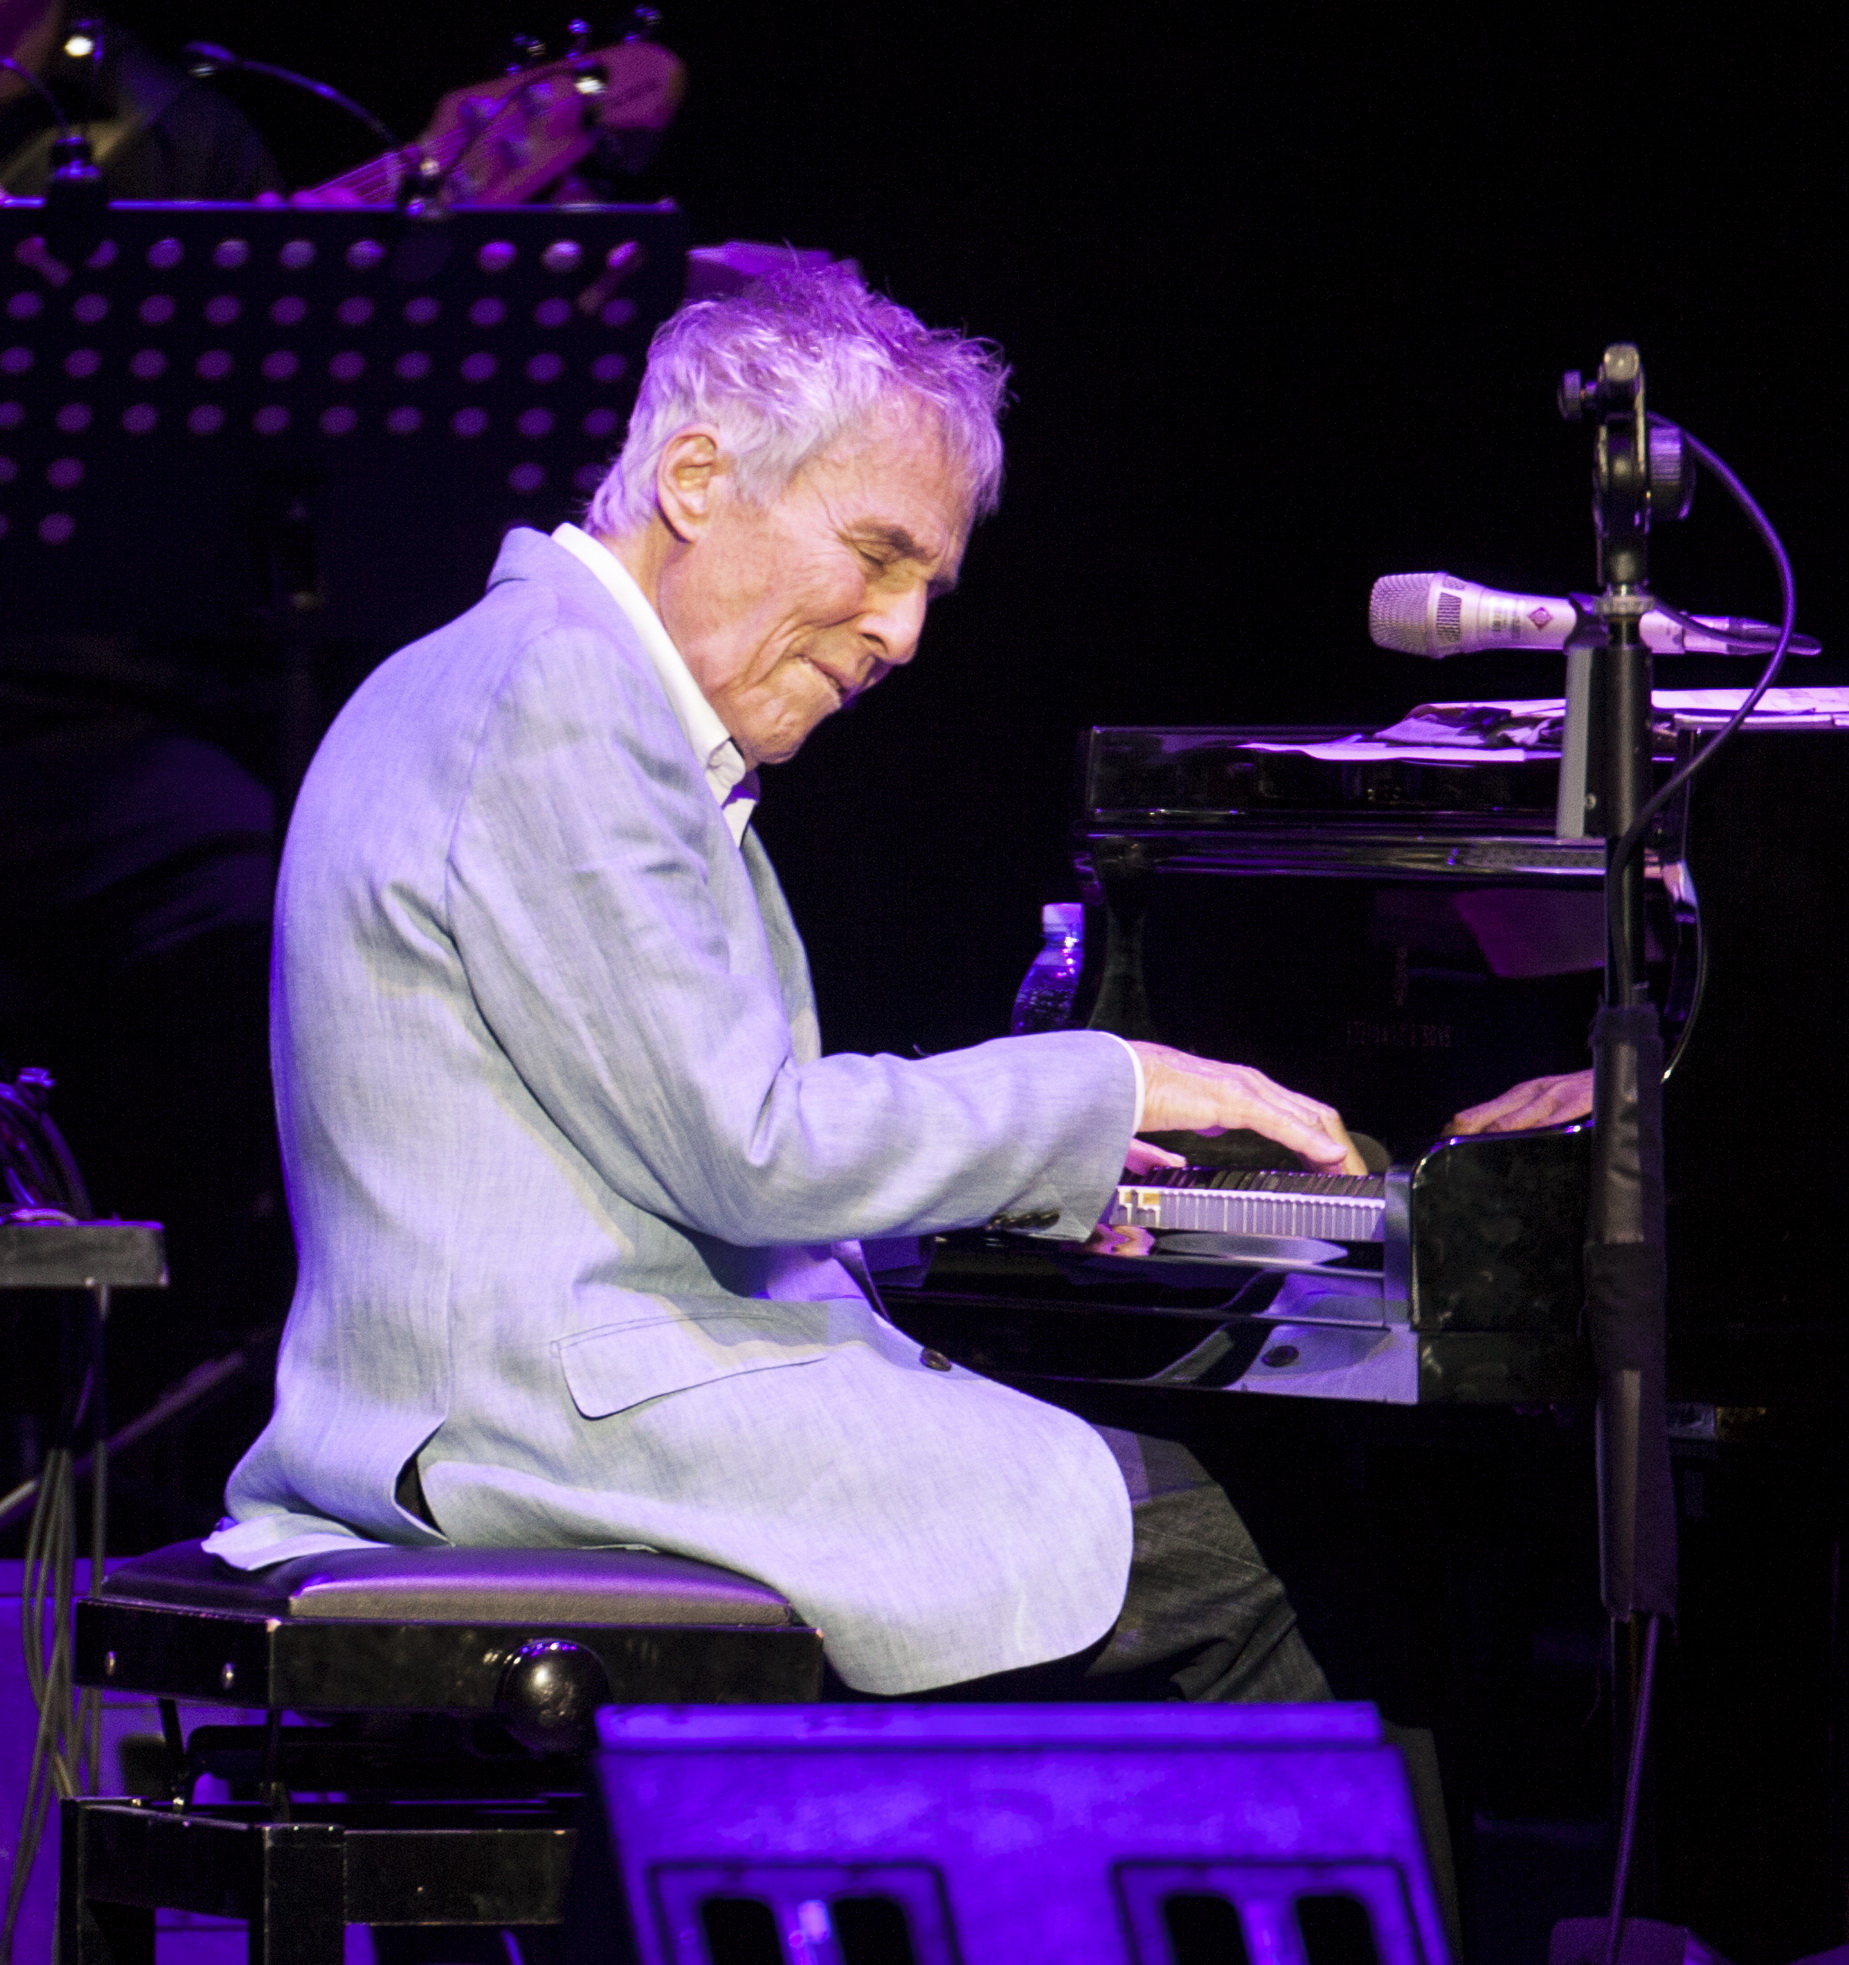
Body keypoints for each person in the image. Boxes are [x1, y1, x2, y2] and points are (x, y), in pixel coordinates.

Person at [204, 266, 1378, 1702]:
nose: (901, 635)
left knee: (1146, 1525)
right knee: (1211, 1548)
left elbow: (631, 1164)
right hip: (538, 1424)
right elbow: (748, 1147)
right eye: (878, 556)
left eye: (928, 588)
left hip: (510, 1395)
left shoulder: (517, 681)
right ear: (697, 476)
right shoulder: (559, 696)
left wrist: (1052, 1184)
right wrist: (1103, 1084)